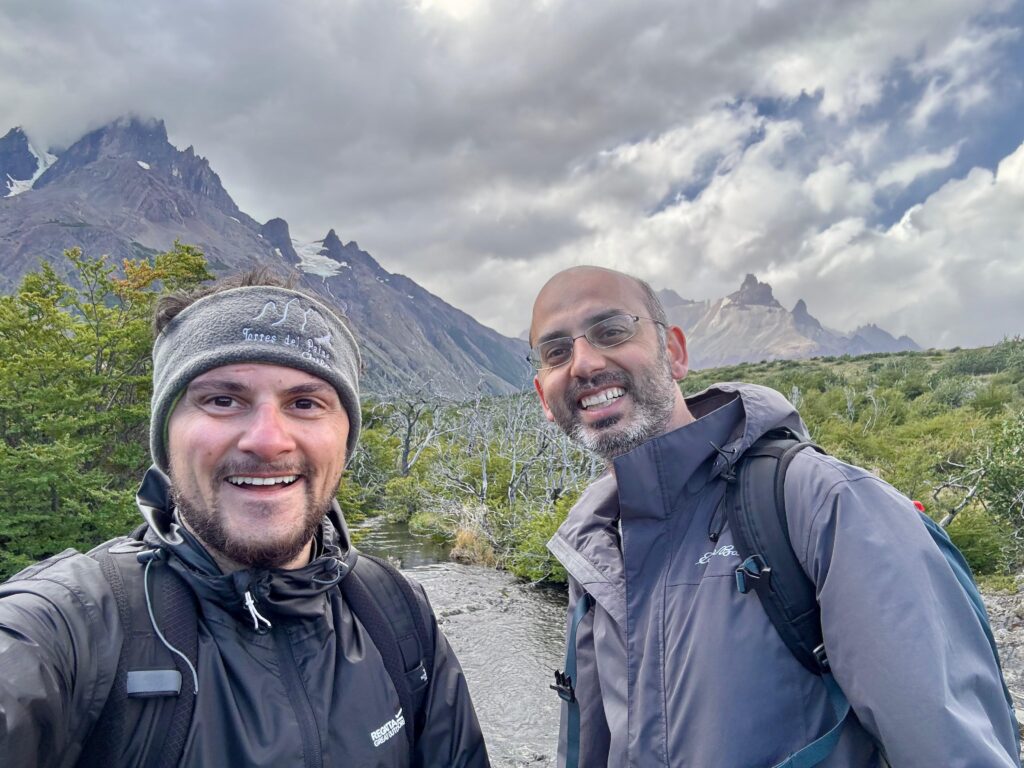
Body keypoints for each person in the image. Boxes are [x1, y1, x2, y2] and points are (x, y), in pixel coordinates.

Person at [529, 265, 1020, 767]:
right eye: (556, 352)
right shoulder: (594, 543)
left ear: (674, 353)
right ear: (543, 394)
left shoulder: (824, 503)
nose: (584, 363)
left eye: (611, 331)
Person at [0, 274, 490, 767]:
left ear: (345, 438)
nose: (267, 439)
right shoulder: (71, 627)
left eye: (305, 403)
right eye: (221, 400)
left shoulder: (396, 611)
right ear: (165, 436)